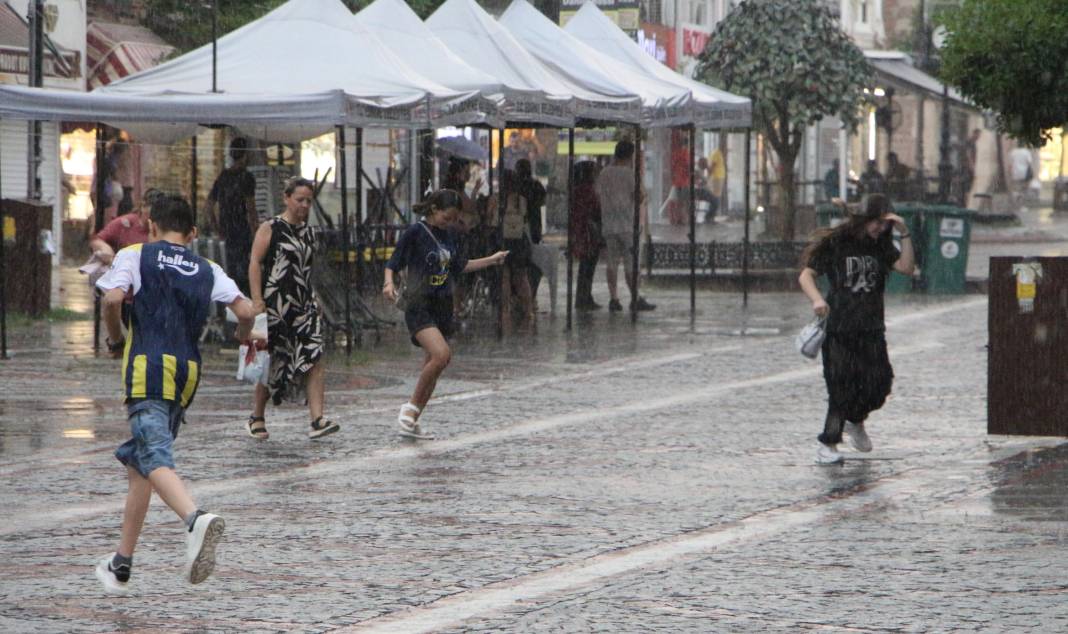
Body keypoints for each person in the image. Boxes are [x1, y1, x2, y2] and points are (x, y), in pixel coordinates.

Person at [93, 194, 255, 593]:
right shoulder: (208, 267)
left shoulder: (136, 254)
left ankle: (194, 518)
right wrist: (241, 335)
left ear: (151, 226)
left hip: (148, 367)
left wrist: (116, 340)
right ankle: (121, 562)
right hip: (187, 372)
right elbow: (247, 311)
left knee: (155, 457)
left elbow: (112, 299)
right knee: (142, 467)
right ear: (193, 233)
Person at [798, 194, 916, 465]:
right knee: (841, 386)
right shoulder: (839, 242)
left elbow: (907, 267)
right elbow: (807, 274)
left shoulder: (881, 247)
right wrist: (817, 299)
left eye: (884, 224)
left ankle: (856, 420)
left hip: (871, 328)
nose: (879, 229)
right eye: (875, 222)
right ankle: (828, 443)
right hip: (839, 328)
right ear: (863, 219)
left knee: (880, 384)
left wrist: (904, 233)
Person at [383, 190, 508, 439]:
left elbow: (461, 266)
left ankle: (413, 420)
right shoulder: (415, 233)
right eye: (445, 217)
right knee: (442, 355)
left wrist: (492, 260)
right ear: (433, 209)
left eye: (453, 219)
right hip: (419, 304)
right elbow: (393, 262)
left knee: (434, 365)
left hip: (443, 305)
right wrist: (388, 283)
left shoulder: (451, 235)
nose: (448, 222)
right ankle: (409, 409)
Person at [247, 177, 340, 441]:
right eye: (299, 200)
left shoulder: (310, 233)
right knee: (273, 360)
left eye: (309, 201)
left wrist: (315, 297)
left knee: (314, 356)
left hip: (304, 304)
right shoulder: (271, 227)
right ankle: (257, 416)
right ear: (286, 198)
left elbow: (306, 270)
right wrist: (257, 299)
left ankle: (317, 419)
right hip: (276, 303)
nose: (304, 205)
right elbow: (255, 262)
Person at [594, 139, 655, 312]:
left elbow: (598, 195)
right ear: (630, 155)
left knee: (612, 263)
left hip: (609, 225)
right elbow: (641, 197)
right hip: (628, 225)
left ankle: (614, 298)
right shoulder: (630, 174)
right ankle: (635, 298)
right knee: (631, 264)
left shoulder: (604, 173)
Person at [207, 138, 258, 295]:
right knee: (246, 273)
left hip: (226, 233)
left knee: (229, 272)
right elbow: (251, 209)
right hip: (242, 234)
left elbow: (208, 206)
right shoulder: (246, 177)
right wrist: (256, 233)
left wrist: (217, 229)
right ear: (245, 155)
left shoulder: (223, 176)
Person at [89, 189, 163, 265]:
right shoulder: (125, 223)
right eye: (150, 214)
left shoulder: (163, 229)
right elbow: (97, 240)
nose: (153, 219)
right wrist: (107, 251)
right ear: (143, 207)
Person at [569, 160, 603, 310]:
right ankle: (584, 298)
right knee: (588, 266)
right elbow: (596, 209)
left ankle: (583, 297)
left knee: (585, 266)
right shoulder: (587, 190)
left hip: (580, 231)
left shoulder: (576, 189)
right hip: (588, 232)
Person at [515, 158, 547, 300]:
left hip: (517, 229)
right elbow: (542, 201)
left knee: (521, 263)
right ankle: (530, 293)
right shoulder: (536, 185)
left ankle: (520, 294)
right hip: (534, 228)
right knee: (533, 261)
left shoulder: (515, 187)